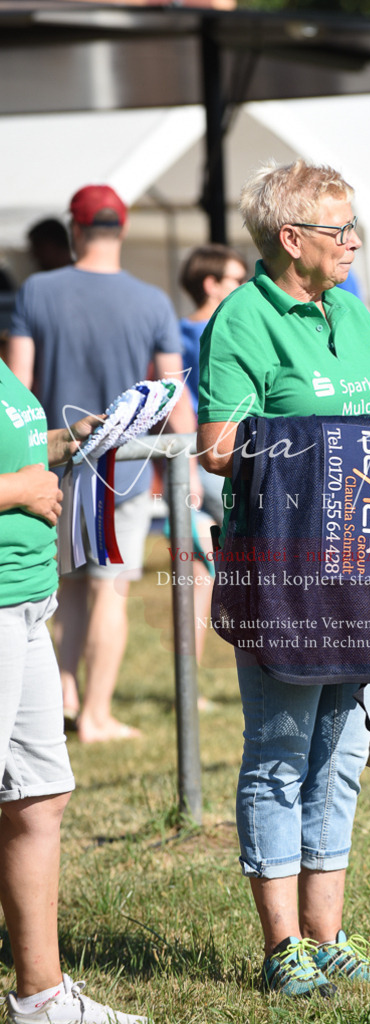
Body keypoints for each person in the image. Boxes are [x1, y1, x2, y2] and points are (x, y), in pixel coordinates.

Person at [197, 160, 370, 998]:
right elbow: (217, 448)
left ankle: (329, 937)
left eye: (352, 228)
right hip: (282, 571)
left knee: (341, 756)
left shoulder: (350, 312)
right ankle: (284, 947)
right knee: (281, 754)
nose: (352, 243)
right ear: (292, 239)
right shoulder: (241, 320)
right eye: (338, 230)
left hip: (361, 561)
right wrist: (314, 447)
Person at [6, 184, 196, 743]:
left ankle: (61, 694)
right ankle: (96, 714)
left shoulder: (36, 291)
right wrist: (191, 467)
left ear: (76, 228)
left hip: (50, 466)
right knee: (109, 590)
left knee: (58, 590)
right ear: (124, 228)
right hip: (128, 472)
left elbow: (15, 392)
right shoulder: (152, 301)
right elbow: (173, 397)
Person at [0, 360, 145, 1024]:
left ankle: (41, 999)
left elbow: (22, 446)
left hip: (27, 604)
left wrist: (66, 442)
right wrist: (15, 492)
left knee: (39, 796)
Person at [177, 244, 248, 672]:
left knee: (197, 577)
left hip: (185, 465)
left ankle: (190, 683)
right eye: (236, 279)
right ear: (211, 284)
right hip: (217, 464)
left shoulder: (174, 333)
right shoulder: (222, 332)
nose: (244, 287)